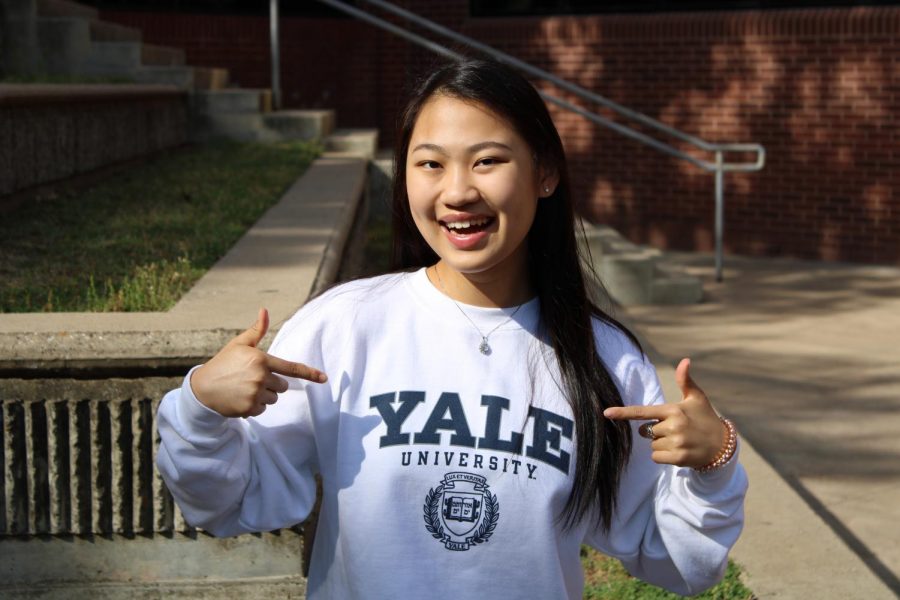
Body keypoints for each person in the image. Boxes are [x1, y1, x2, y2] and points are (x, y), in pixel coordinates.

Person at [156, 58, 747, 599]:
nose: (458, 191)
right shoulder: (344, 325)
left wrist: (714, 463)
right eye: (430, 163)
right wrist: (201, 409)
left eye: (487, 160)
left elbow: (677, 562)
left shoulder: (607, 361)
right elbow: (227, 503)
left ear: (544, 173)